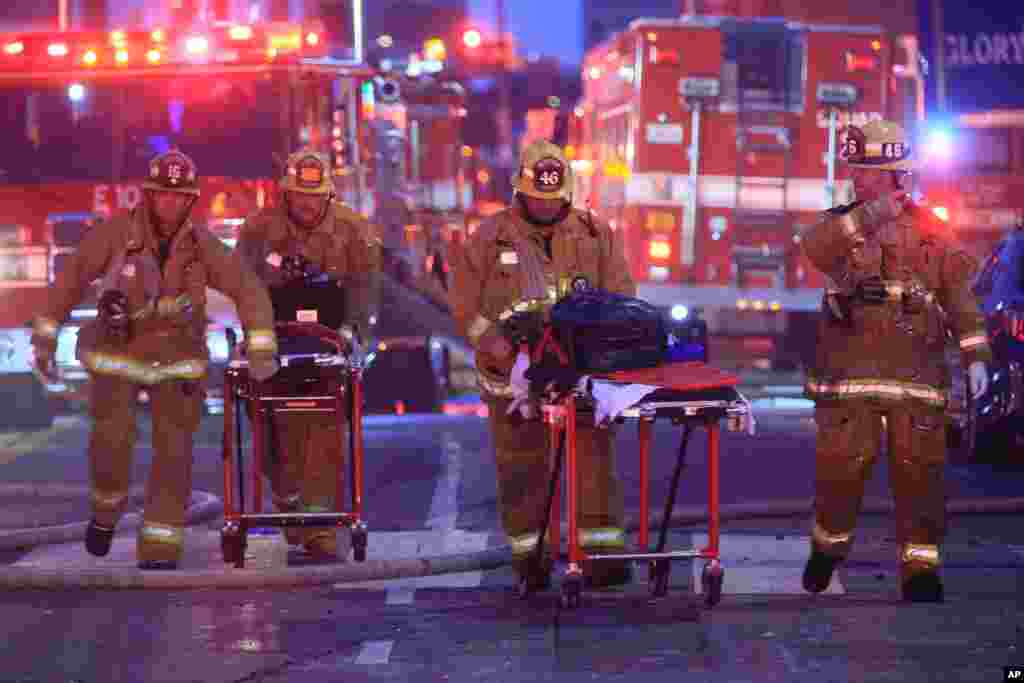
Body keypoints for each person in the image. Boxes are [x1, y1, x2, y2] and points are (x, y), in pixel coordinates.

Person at [31, 149, 278, 570]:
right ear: (149, 195)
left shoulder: (202, 246)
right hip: (117, 355)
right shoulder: (115, 235)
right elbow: (70, 279)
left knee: (174, 451)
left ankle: (160, 545)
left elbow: (247, 288)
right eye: (163, 194)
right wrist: (45, 339)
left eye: (179, 196)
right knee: (111, 442)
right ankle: (106, 512)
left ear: (190, 199)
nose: (170, 203)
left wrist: (260, 347)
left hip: (177, 360)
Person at [799, 120, 991, 602]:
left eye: (865, 169)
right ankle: (827, 550)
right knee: (840, 469)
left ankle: (920, 569)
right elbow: (814, 246)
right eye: (854, 168)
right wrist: (869, 216)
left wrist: (976, 356)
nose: (855, 177)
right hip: (850, 373)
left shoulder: (932, 230)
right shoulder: (843, 224)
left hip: (916, 373)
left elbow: (959, 298)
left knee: (920, 473)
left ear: (892, 173)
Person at [448, 139, 635, 590]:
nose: (547, 206)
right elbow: (463, 303)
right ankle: (530, 556)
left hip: (579, 373)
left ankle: (601, 555)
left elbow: (622, 297)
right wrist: (493, 343)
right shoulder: (490, 238)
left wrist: (604, 349)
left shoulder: (596, 235)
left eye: (554, 199)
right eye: (538, 198)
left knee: (594, 463)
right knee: (521, 469)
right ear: (521, 190)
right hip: (512, 379)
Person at [236, 149, 382, 560]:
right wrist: (255, 337)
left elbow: (365, 290)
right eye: (300, 195)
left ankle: (320, 531)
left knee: (323, 434)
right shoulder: (258, 230)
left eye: (315, 197)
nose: (307, 204)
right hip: (272, 345)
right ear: (286, 193)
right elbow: (240, 284)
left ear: (328, 195)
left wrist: (352, 334)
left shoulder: (354, 231)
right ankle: (289, 504)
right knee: (271, 436)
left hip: (328, 347)